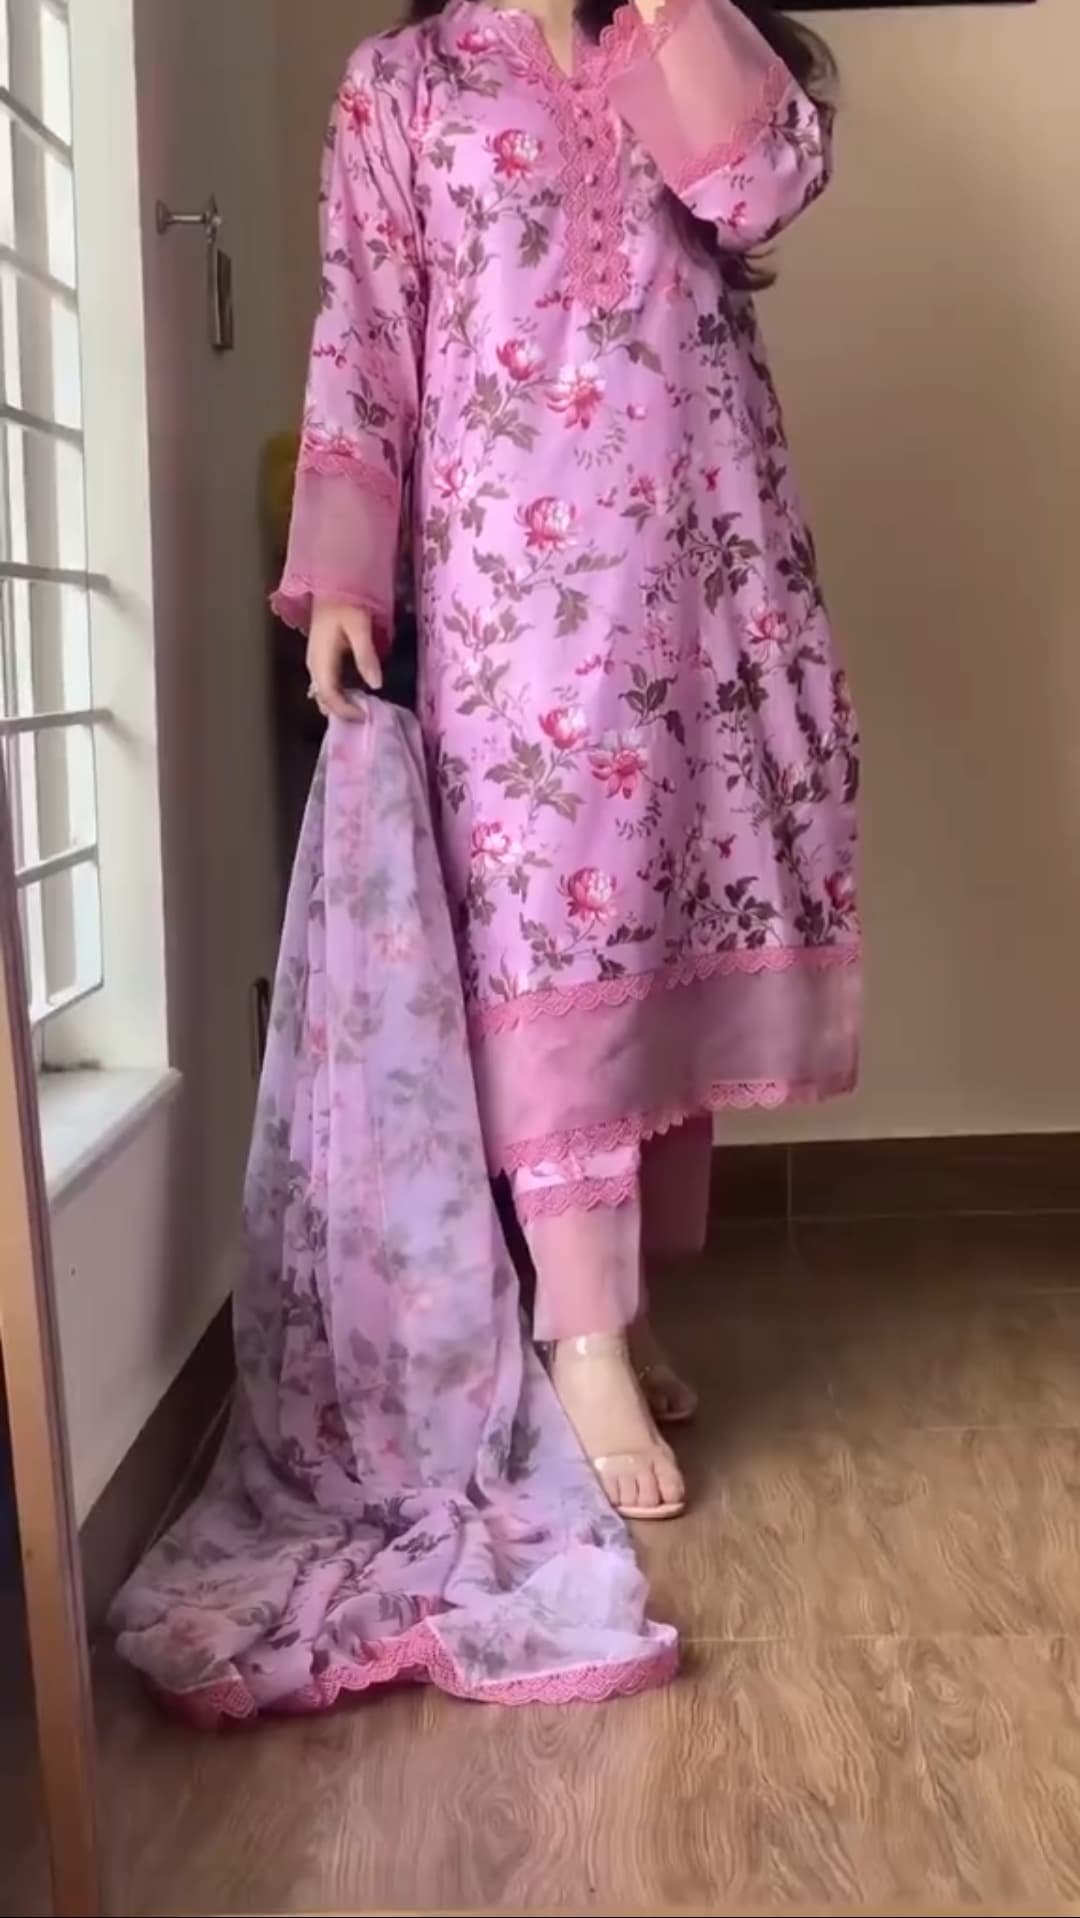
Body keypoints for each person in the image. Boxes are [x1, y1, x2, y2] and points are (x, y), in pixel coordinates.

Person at [274, 0, 860, 1522]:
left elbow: (761, 186)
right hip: (516, 588)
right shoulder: (403, 85)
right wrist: (346, 572)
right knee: (558, 924)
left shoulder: (681, 31)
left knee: (663, 902)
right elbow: (365, 328)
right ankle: (579, 1324)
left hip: (703, 560)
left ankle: (625, 1295)